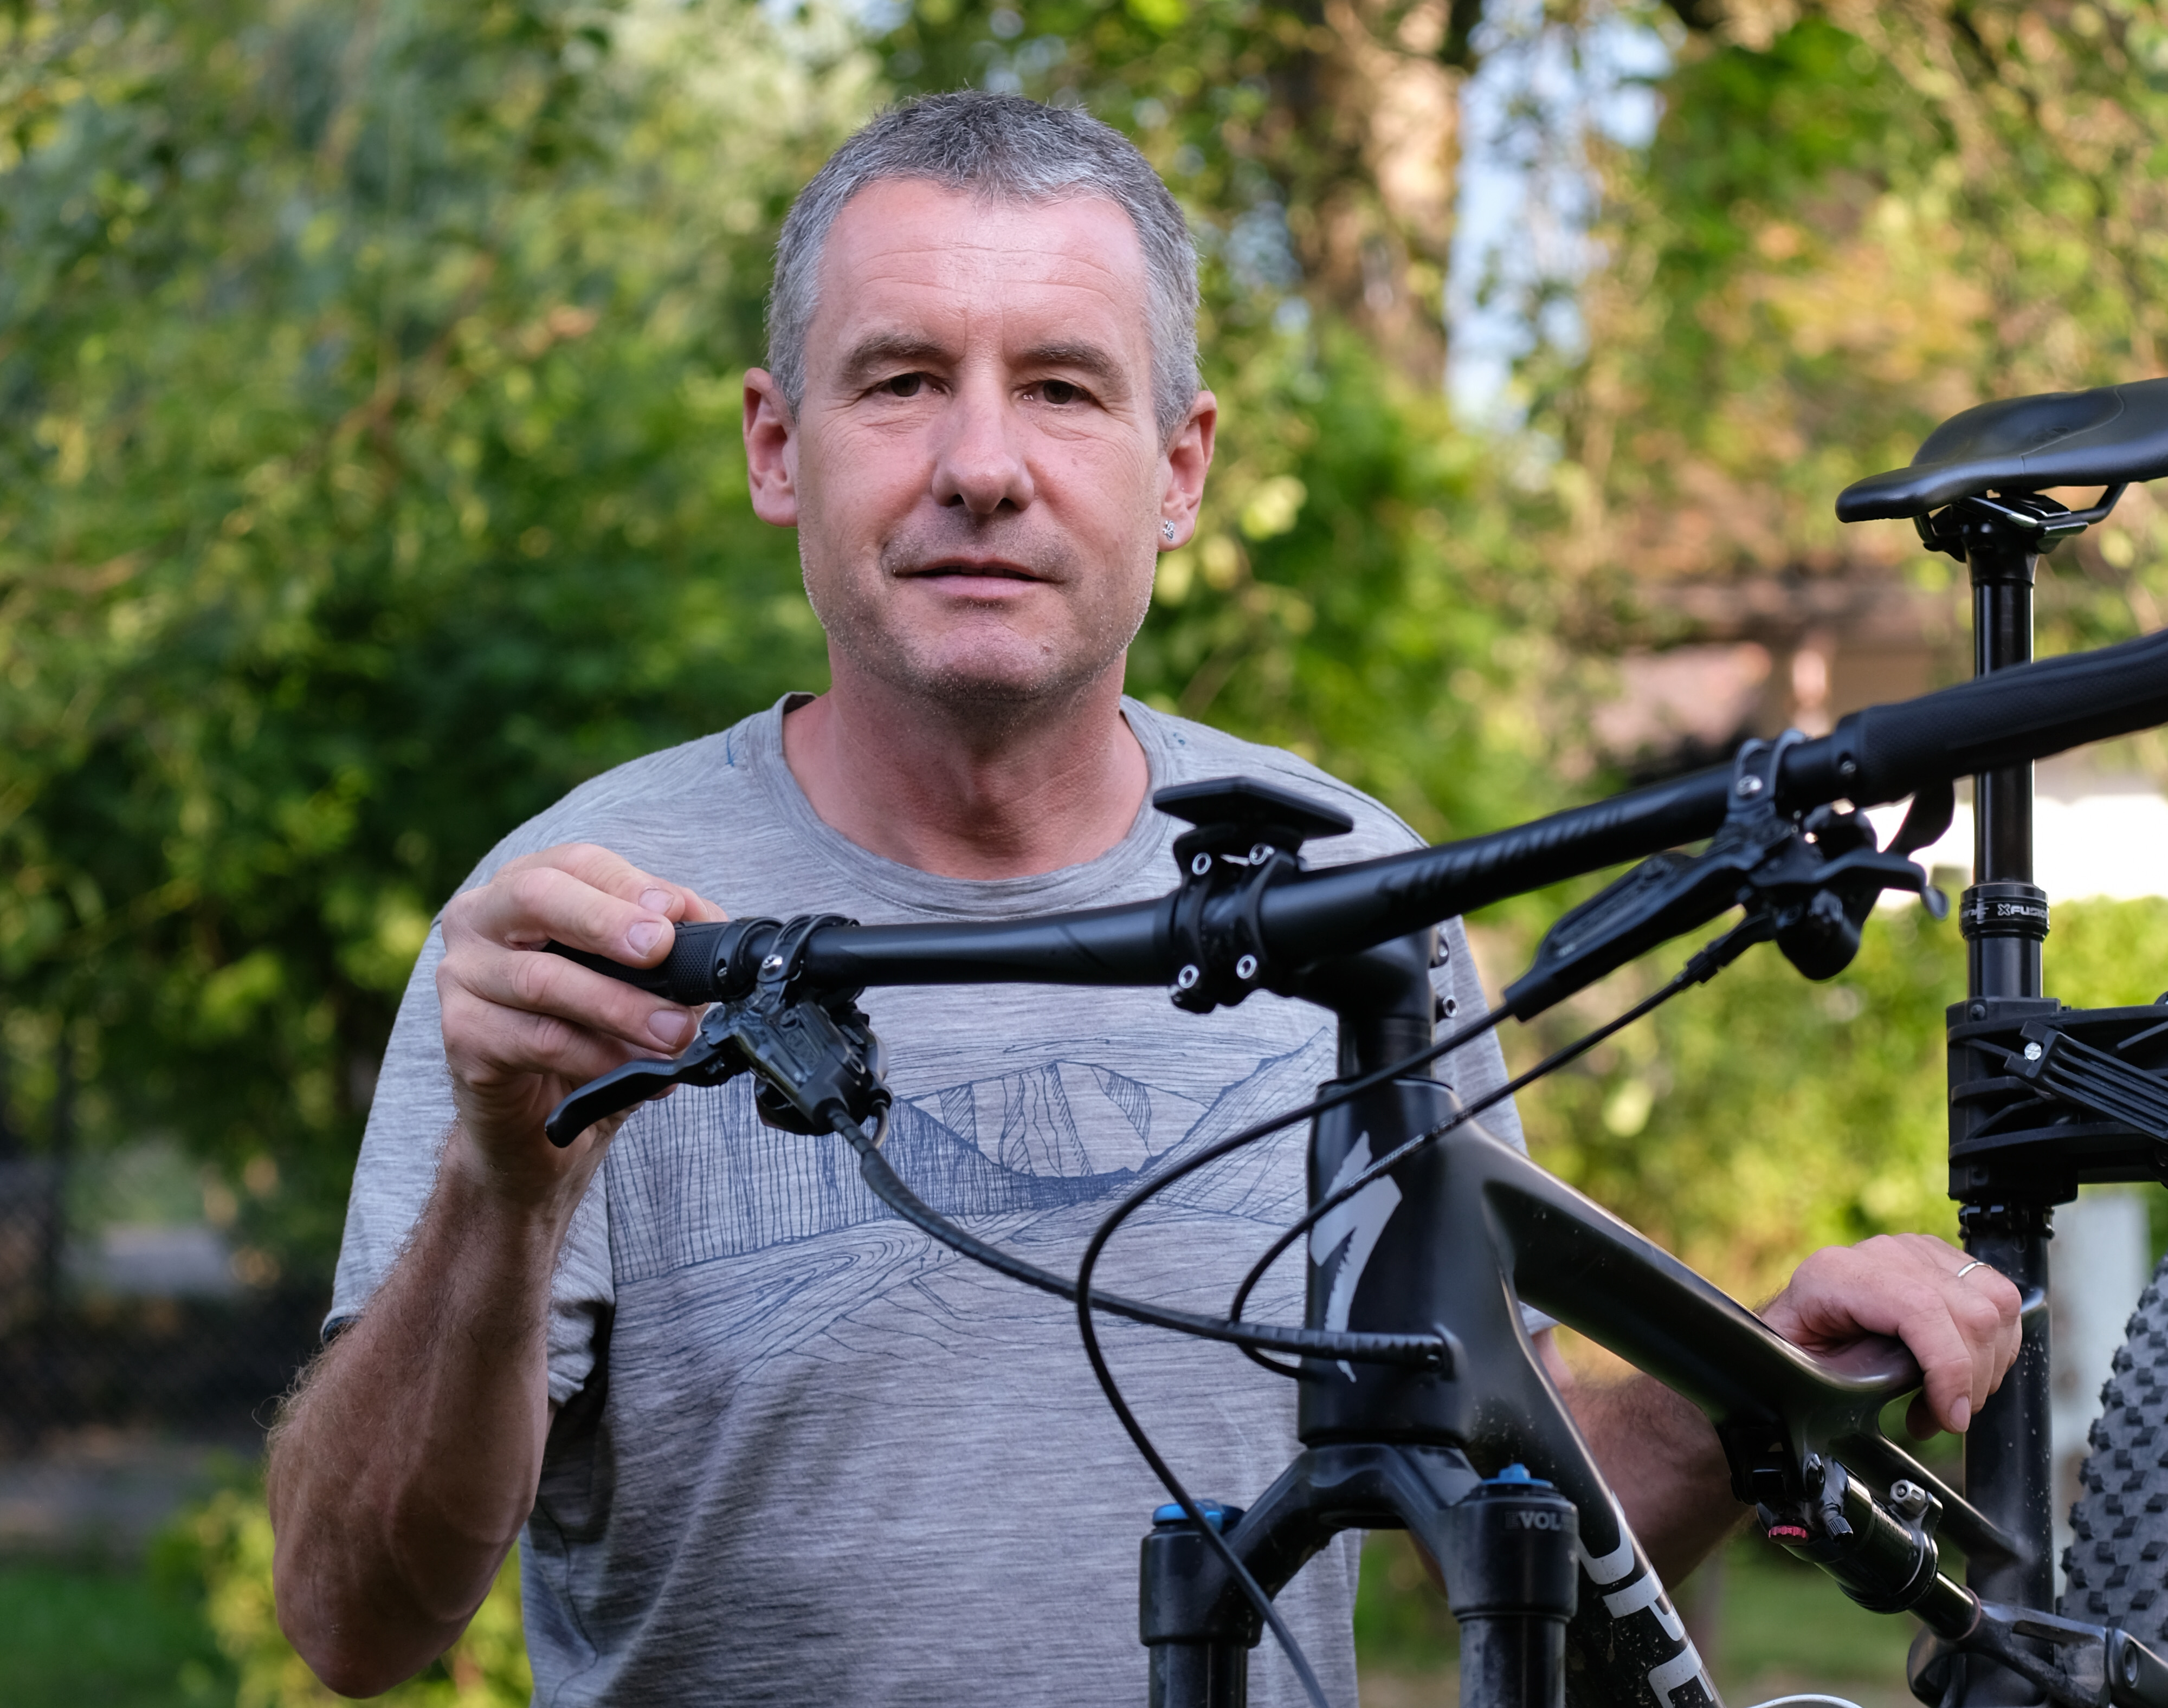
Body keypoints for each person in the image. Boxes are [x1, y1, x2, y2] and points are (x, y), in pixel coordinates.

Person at [266, 92, 2021, 1705]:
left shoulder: (1343, 886)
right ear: (775, 448)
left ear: (1177, 469)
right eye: (897, 381)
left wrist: (1757, 1384)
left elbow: (1496, 1519)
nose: (980, 463)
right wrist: (503, 1192)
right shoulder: (575, 932)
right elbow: (358, 1622)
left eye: (1060, 385)